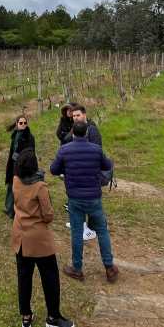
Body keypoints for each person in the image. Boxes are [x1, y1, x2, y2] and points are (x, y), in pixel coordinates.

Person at [12, 147, 75, 327]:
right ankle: (53, 316)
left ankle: (26, 315)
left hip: (20, 237)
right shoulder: (40, 187)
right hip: (39, 240)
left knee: (24, 277)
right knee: (50, 276)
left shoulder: (15, 181)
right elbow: (48, 215)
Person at [50, 120, 119, 284]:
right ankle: (109, 267)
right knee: (102, 231)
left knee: (76, 233)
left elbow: (53, 169)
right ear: (87, 133)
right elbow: (107, 165)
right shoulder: (96, 150)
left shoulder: (64, 150)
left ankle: (77, 268)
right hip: (94, 198)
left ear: (73, 133)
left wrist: (65, 169)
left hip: (75, 199)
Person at [62, 103, 100, 242]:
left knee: (85, 200)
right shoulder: (75, 129)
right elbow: (66, 140)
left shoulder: (92, 130)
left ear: (84, 115)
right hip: (74, 171)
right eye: (73, 116)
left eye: (78, 115)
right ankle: (77, 223)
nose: (75, 118)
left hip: (87, 172)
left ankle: (89, 229)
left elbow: (97, 151)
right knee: (73, 198)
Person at [4, 115, 35, 219]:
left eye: (24, 123)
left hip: (22, 166)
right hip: (13, 164)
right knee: (10, 186)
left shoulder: (29, 137)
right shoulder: (15, 134)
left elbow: (30, 154)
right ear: (17, 124)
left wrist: (19, 158)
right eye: (20, 123)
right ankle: (9, 208)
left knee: (18, 189)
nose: (23, 125)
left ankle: (15, 211)